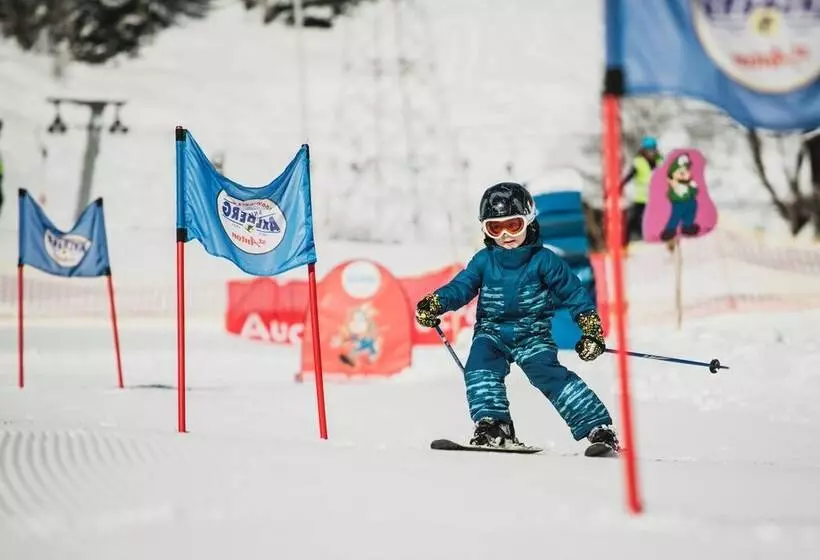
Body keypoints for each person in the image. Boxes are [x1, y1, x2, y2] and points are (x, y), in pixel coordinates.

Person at [414, 182, 619, 452]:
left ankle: (598, 428)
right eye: (495, 227)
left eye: (514, 225)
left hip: (532, 335)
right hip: (492, 333)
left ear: (530, 221)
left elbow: (574, 294)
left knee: (548, 375)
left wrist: (590, 329)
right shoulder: (484, 260)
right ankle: (494, 426)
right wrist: (437, 302)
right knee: (479, 367)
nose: (506, 235)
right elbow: (461, 286)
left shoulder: (545, 260)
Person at [620, 135, 664, 246]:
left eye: (653, 150)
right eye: (648, 150)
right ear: (644, 150)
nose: (651, 153)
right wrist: (620, 185)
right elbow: (630, 175)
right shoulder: (638, 162)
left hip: (657, 198)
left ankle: (658, 238)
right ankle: (625, 243)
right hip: (642, 198)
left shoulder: (660, 161)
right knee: (635, 220)